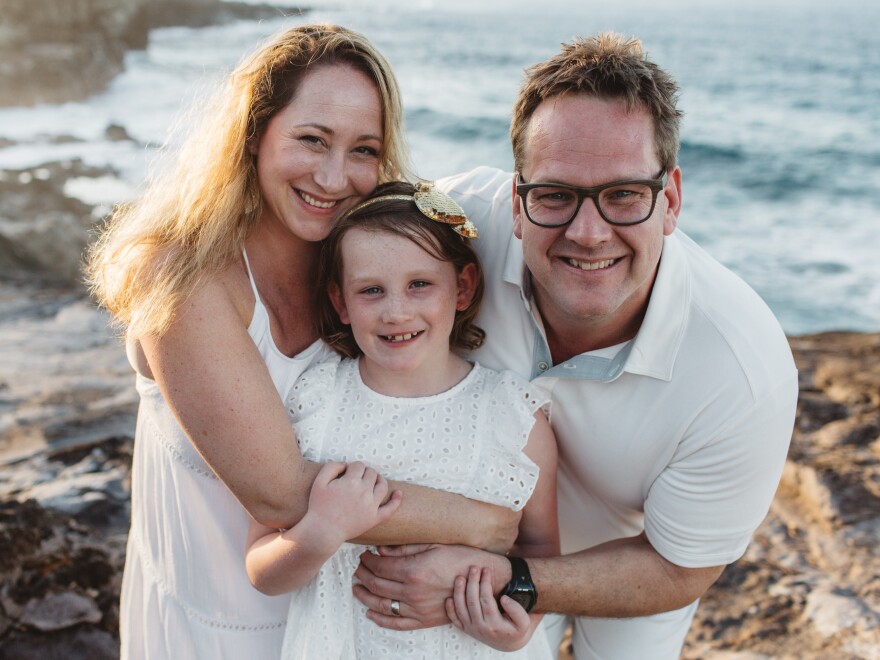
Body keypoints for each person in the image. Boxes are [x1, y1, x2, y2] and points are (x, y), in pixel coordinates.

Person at [352, 33, 799, 659]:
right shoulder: (448, 234)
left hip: (630, 546)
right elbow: (336, 258)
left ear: (669, 200)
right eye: (555, 195)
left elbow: (679, 570)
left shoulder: (743, 373)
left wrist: (520, 583)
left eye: (622, 195)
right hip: (478, 508)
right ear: (515, 199)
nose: (588, 234)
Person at [85, 24, 521, 659]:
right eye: (312, 140)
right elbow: (282, 493)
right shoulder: (181, 273)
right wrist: (488, 521)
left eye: (364, 150)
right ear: (255, 133)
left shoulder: (362, 286)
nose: (334, 176)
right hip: (205, 632)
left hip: (339, 632)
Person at [244, 181, 560, 659]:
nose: (396, 311)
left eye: (419, 284)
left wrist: (520, 622)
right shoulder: (315, 403)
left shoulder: (515, 419)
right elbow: (261, 570)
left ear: (463, 286)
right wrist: (322, 532)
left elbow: (541, 552)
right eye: (371, 290)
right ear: (340, 303)